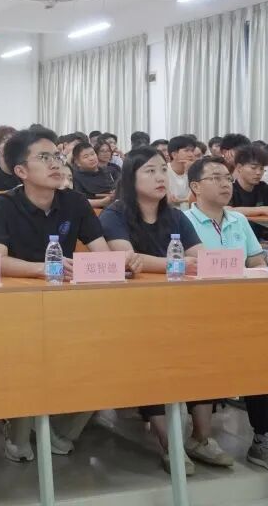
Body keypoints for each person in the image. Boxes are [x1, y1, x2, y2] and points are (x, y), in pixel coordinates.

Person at [0, 127, 140, 462]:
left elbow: (100, 252)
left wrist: (122, 263)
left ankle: (60, 428)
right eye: (44, 158)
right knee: (26, 358)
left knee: (111, 352)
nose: (55, 163)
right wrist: (42, 268)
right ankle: (19, 431)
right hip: (16, 306)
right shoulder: (1, 205)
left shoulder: (74, 202)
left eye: (56, 155)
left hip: (69, 304)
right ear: (21, 171)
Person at [100, 147, 224, 475]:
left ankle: (201, 438)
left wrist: (181, 263)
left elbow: (200, 255)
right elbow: (128, 259)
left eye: (162, 170)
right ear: (131, 178)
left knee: (203, 350)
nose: (160, 177)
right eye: (150, 171)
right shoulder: (114, 215)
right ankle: (171, 445)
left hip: (180, 307)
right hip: (133, 312)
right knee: (152, 355)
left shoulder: (175, 216)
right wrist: (178, 263)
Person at [183, 156, 268, 476]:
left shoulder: (238, 220)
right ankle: (264, 433)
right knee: (248, 351)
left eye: (227, 178)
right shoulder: (181, 221)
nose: (225, 184)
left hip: (244, 309)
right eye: (215, 178)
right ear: (195, 186)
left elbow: (256, 261)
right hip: (199, 312)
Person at [228, 145, 268, 241]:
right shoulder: (230, 189)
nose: (258, 172)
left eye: (261, 168)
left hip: (265, 239)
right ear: (239, 167)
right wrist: (263, 210)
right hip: (237, 239)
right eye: (253, 168)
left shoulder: (263, 188)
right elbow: (227, 210)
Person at [71, 142, 117, 208]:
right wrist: (102, 202)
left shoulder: (107, 171)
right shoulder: (75, 177)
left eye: (92, 154)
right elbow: (78, 201)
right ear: (77, 162)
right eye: (86, 156)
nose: (91, 158)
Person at [167, 135, 196, 210]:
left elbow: (196, 198)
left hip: (190, 212)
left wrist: (190, 172)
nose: (191, 154)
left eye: (192, 151)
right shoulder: (164, 170)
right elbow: (169, 200)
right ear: (174, 155)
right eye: (186, 150)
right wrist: (185, 200)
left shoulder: (195, 170)